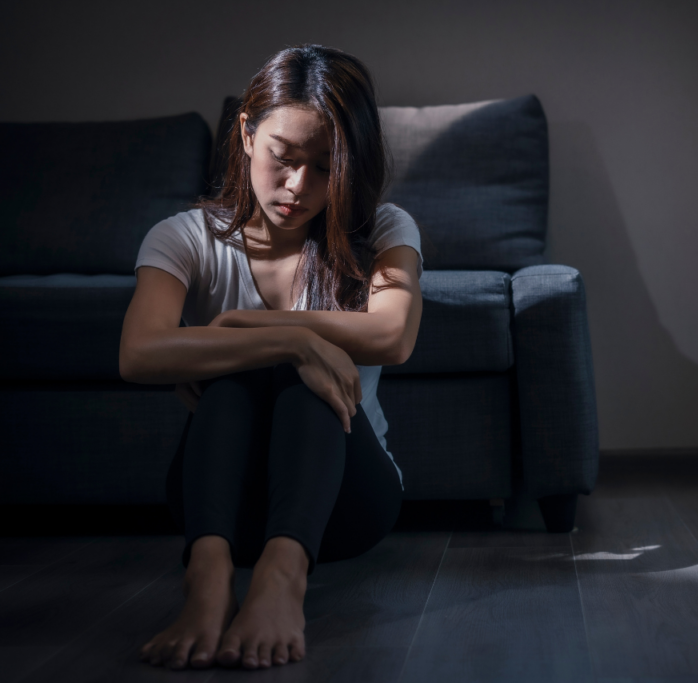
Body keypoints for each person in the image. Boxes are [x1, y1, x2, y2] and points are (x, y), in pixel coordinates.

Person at [119, 45, 422, 671]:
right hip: (217, 505)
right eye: (284, 158)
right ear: (247, 134)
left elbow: (393, 335)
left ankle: (283, 579)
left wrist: (246, 327)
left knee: (291, 373)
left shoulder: (385, 230)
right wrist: (294, 339)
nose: (298, 187)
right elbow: (139, 352)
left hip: (345, 500)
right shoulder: (187, 238)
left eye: (325, 166)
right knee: (265, 365)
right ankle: (207, 580)